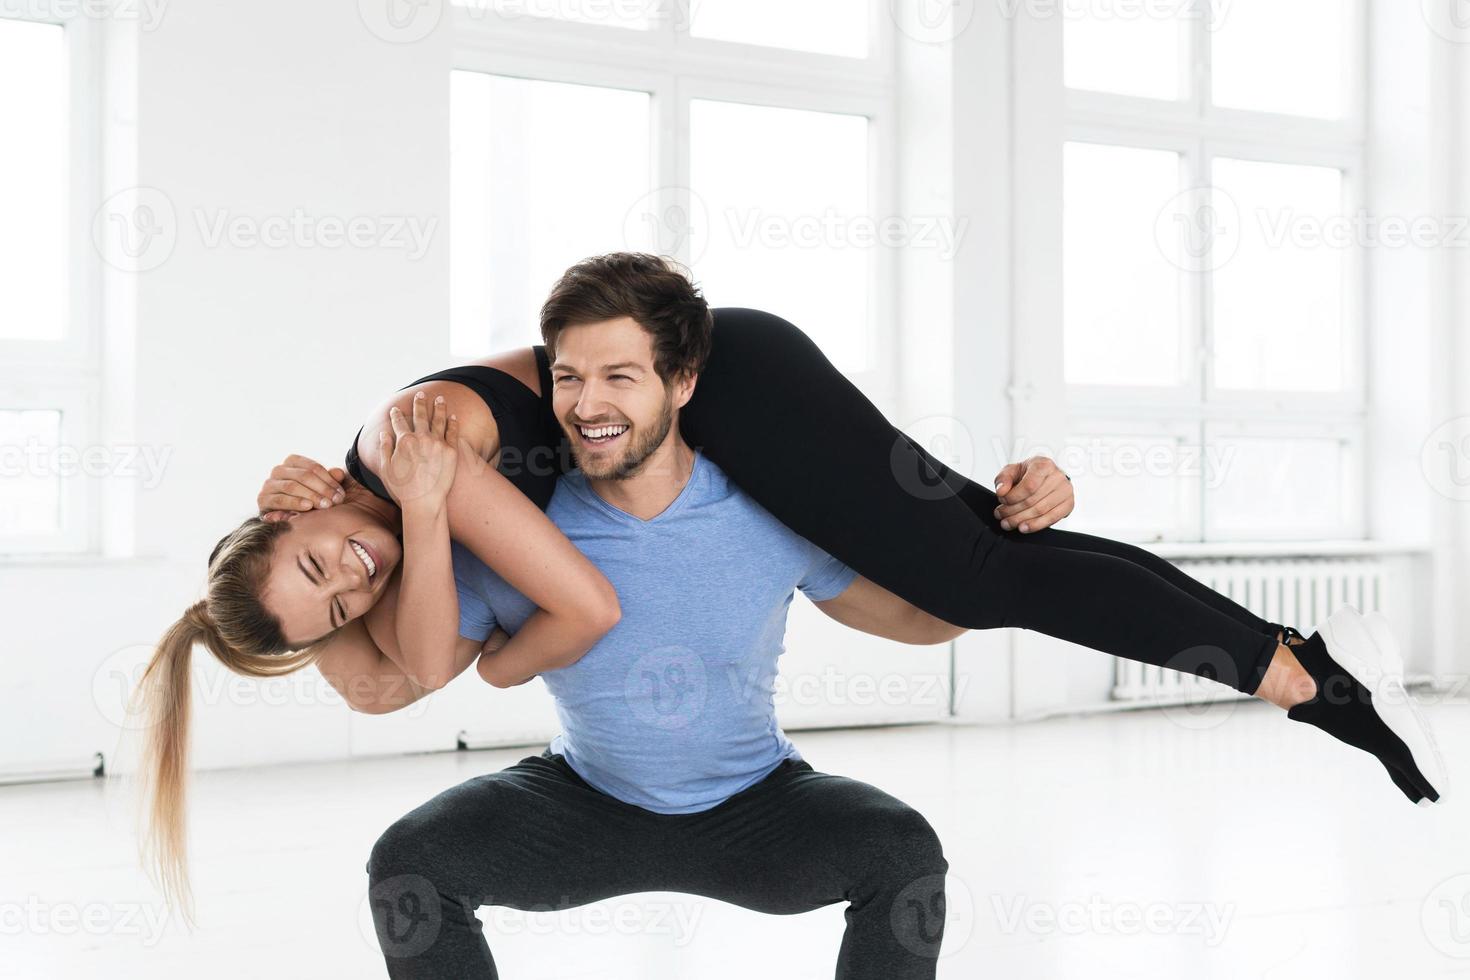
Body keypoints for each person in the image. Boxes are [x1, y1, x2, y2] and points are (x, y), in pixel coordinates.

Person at [136, 253, 1445, 922]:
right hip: (679, 391)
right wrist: (300, 615)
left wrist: (434, 570)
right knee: (983, 559)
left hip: (732, 371)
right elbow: (381, 671)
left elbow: (538, 624)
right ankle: (1277, 656)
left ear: (290, 508)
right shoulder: (382, 528)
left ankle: (1292, 670)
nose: (357, 574)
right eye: (334, 600)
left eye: (322, 559)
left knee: (981, 572)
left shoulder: (417, 448)